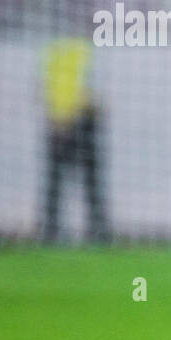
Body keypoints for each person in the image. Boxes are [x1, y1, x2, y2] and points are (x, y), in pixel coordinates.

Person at [42, 37, 107, 242]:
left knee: (89, 180)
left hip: (79, 121)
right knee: (57, 182)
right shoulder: (56, 52)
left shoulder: (80, 51)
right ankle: (52, 229)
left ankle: (96, 229)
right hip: (62, 123)